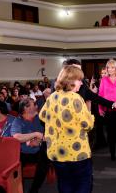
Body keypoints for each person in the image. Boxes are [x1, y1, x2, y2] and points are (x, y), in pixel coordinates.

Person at [39, 65, 94, 193]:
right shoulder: (76, 98)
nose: (81, 82)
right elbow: (88, 125)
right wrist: (90, 113)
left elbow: (42, 116)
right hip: (77, 153)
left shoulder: (52, 96)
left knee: (65, 184)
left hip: (57, 152)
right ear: (71, 80)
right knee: (83, 184)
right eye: (79, 79)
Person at [11, 98, 47, 193]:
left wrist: (38, 141)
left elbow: (48, 136)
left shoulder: (40, 119)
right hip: (23, 153)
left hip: (38, 151)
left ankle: (34, 190)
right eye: (33, 104)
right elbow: (17, 137)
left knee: (45, 161)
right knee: (16, 165)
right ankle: (20, 190)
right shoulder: (17, 121)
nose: (36, 106)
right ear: (26, 108)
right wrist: (35, 135)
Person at [98, 59, 116, 161]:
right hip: (108, 110)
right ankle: (112, 154)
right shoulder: (104, 80)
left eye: (112, 67)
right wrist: (100, 109)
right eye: (108, 67)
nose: (110, 69)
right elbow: (100, 95)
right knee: (110, 134)